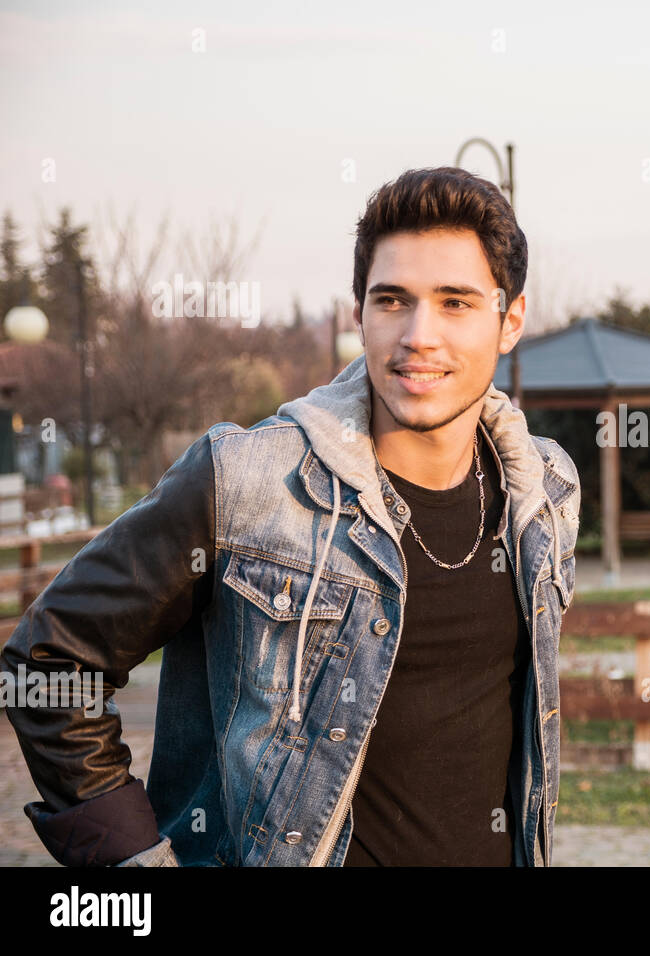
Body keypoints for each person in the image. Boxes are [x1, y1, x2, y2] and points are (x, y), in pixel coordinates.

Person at [2, 166, 580, 867]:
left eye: (455, 303)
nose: (419, 334)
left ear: (510, 319)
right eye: (392, 300)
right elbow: (49, 662)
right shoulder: (248, 481)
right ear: (359, 311)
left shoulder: (543, 493)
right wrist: (137, 866)